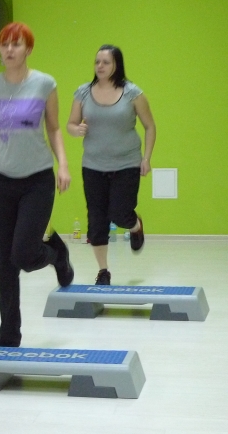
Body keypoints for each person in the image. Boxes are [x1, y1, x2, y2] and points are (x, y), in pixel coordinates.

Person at [0, 22, 74, 348]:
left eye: (16, 44)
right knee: (5, 266)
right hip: (0, 181)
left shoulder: (44, 84)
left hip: (37, 180)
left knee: (24, 255)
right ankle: (9, 333)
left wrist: (63, 165)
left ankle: (56, 254)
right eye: (4, 44)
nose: (9, 50)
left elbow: (54, 128)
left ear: (28, 49)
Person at [66, 45, 156, 285]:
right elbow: (71, 125)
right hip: (93, 165)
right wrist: (77, 130)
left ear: (117, 64)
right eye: (97, 62)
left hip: (126, 163)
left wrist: (146, 158)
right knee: (96, 221)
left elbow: (150, 126)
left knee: (120, 214)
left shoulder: (132, 93)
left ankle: (135, 226)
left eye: (105, 62)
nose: (100, 66)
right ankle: (103, 271)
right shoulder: (83, 92)